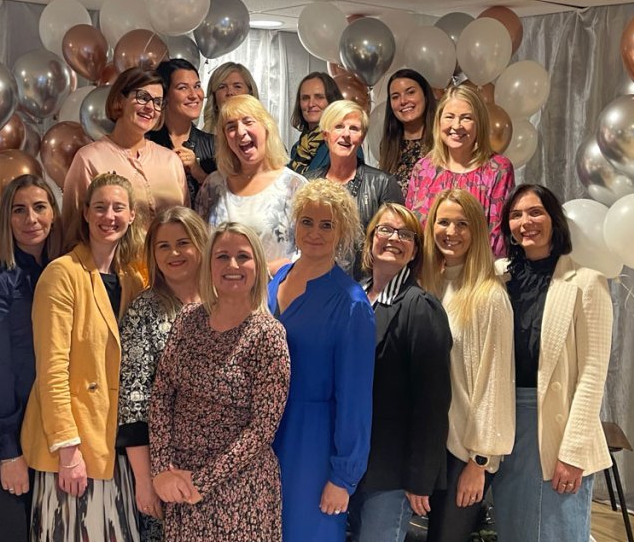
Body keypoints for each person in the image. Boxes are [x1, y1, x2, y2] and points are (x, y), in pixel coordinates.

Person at [21, 172, 146, 542]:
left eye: (118, 208)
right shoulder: (61, 274)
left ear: (132, 215)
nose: (109, 216)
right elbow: (51, 369)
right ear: (87, 213)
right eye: (100, 207)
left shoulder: (133, 281)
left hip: (115, 446)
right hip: (72, 449)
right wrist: (68, 450)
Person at [149, 222, 291, 542]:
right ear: (209, 265)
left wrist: (203, 481)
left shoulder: (268, 335)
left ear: (258, 264)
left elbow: (262, 429)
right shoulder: (188, 319)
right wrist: (160, 470)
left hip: (239, 491)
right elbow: (162, 394)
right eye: (222, 256)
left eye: (243, 256)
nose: (233, 265)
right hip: (180, 485)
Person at [491, 184, 614, 542]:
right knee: (514, 530)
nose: (525, 222)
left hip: (557, 426)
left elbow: (592, 374)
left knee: (555, 530)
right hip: (506, 424)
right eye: (516, 215)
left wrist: (573, 451)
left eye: (535, 212)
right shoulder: (498, 278)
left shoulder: (587, 282)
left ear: (553, 219)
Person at [268, 179, 375, 542]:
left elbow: (355, 398)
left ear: (341, 232)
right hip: (265, 435)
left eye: (326, 224)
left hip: (312, 444)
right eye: (307, 222)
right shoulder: (275, 281)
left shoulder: (351, 303)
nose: (314, 232)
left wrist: (343, 477)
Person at [347, 203, 452, 542]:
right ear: (370, 240)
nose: (394, 238)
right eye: (386, 230)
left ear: (415, 251)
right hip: (349, 464)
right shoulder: (352, 297)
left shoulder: (421, 308)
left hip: (391, 473)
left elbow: (433, 401)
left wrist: (420, 479)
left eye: (405, 234)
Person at [0, 175, 63, 542]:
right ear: (6, 218)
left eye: (39, 207)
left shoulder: (62, 272)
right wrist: (8, 451)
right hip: (6, 436)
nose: (31, 219)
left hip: (50, 432)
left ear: (53, 214)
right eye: (19, 210)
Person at [420, 190, 515, 542]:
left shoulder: (489, 296)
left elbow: (494, 382)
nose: (451, 232)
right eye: (443, 222)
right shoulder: (427, 284)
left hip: (464, 449)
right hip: (428, 442)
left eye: (462, 224)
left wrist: (480, 462)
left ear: (477, 231)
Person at [118, 206, 208, 542]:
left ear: (201, 244)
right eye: (163, 246)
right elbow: (133, 402)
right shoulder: (144, 311)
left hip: (221, 467)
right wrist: (145, 480)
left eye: (183, 243)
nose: (174, 254)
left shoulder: (226, 304)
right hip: (165, 471)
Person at [63, 66, 189, 243]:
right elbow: (73, 231)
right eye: (142, 97)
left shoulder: (171, 161)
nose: (150, 107)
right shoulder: (89, 159)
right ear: (119, 100)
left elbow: (186, 226)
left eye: (158, 102)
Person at [196, 95, 307, 275]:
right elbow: (200, 245)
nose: (240, 132)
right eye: (231, 127)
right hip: (222, 288)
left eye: (248, 122)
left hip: (276, 289)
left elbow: (310, 250)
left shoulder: (294, 186)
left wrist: (269, 270)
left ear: (266, 127)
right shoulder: (213, 185)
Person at [405, 85, 514, 256]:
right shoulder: (423, 168)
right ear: (439, 122)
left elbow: (498, 240)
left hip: (477, 270)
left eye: (466, 118)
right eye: (449, 117)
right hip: (425, 269)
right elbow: (410, 229)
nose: (456, 126)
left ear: (480, 123)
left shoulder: (498, 170)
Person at [304, 99, 403, 277]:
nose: (346, 134)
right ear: (326, 135)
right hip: (314, 281)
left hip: (365, 284)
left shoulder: (383, 183)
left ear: (362, 138)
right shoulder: (307, 183)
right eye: (339, 126)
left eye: (354, 128)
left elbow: (396, 242)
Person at [148, 59, 215, 207]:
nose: (194, 95)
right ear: (164, 95)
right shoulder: (146, 142)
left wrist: (199, 173)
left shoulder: (214, 145)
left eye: (197, 86)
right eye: (183, 88)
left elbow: (225, 202)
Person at [379, 69, 436, 196]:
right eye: (395, 97)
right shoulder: (388, 145)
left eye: (410, 92)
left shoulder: (442, 140)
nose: (403, 101)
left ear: (425, 96)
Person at [289, 72, 344, 174]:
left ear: (332, 101)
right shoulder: (297, 148)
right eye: (305, 98)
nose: (311, 104)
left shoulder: (344, 144)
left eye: (319, 97)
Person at [202, 62, 258, 134]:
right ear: (214, 98)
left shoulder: (264, 134)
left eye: (237, 86)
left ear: (250, 93)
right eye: (222, 87)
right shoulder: (201, 139)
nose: (230, 92)